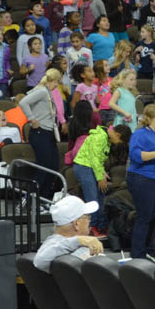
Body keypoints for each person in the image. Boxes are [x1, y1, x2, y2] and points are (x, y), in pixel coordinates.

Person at [127, 104, 155, 259]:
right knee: (144, 216)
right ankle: (138, 254)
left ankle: (153, 249)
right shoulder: (140, 134)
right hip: (142, 178)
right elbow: (136, 156)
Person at [19, 69, 62, 200]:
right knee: (44, 166)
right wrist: (32, 119)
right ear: (51, 80)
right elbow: (23, 102)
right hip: (40, 132)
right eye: (56, 82)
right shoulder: (42, 91)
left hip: (48, 133)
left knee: (53, 166)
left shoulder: (47, 92)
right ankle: (30, 198)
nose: (57, 85)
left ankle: (44, 198)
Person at [33, 196, 103, 272]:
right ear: (77, 223)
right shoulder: (57, 244)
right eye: (87, 217)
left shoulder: (55, 244)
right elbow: (40, 261)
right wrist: (78, 240)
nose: (89, 221)